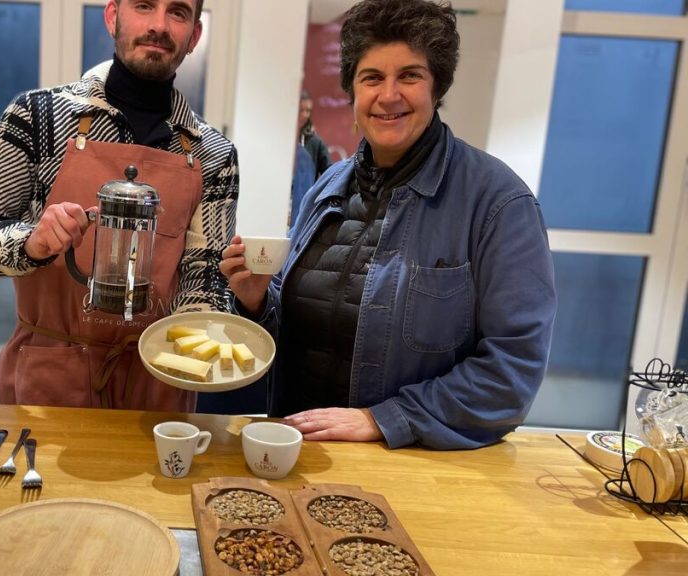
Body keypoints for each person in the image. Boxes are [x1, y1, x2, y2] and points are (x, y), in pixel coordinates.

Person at [220, 0, 556, 450]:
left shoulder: (498, 202)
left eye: (410, 76)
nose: (389, 95)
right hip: (295, 450)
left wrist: (384, 419)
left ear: (437, 87)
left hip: (412, 467)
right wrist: (258, 301)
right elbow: (303, 328)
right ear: (352, 91)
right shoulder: (326, 189)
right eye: (372, 77)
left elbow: (512, 371)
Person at [0, 0, 238, 412]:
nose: (158, 24)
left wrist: (211, 317)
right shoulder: (36, 117)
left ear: (193, 35)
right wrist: (30, 243)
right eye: (144, 6)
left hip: (158, 380)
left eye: (177, 12)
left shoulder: (214, 153)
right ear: (112, 16)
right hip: (49, 373)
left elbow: (204, 272)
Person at [290, 90, 331, 227]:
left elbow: (330, 174)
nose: (303, 115)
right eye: (300, 110)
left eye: (307, 111)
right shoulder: (279, 138)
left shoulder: (315, 143)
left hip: (300, 209)